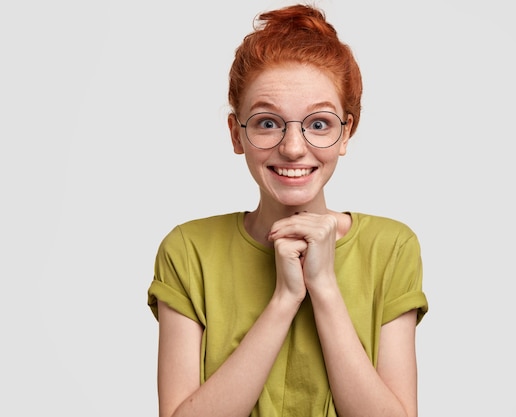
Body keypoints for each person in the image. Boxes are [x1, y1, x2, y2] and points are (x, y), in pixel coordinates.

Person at [147, 4, 428, 417]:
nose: (293, 147)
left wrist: (325, 288)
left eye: (318, 124)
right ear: (235, 133)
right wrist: (285, 299)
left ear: (346, 132)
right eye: (266, 123)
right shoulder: (188, 251)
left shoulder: (391, 247)